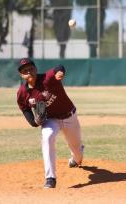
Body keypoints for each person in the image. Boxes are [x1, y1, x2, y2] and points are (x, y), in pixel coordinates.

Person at [16, 58, 84, 189]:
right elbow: (24, 108)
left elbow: (59, 67)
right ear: (22, 75)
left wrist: (60, 72)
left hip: (69, 116)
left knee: (77, 154)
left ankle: (75, 159)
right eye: (25, 70)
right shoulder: (23, 92)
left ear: (35, 69)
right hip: (51, 120)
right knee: (47, 137)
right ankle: (50, 178)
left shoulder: (47, 79)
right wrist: (34, 122)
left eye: (30, 68)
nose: (28, 71)